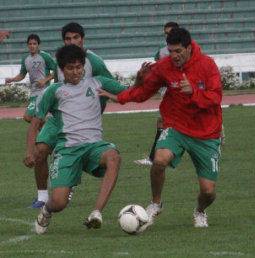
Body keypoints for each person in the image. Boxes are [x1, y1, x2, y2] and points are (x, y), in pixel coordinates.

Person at [98, 28, 223, 228]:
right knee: (159, 160)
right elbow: (143, 92)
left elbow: (216, 97)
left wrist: (193, 93)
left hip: (206, 133)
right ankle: (156, 203)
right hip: (177, 127)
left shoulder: (207, 65)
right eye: (170, 51)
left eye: (178, 51)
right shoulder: (164, 67)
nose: (174, 56)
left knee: (208, 192)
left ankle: (200, 210)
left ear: (189, 48)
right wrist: (123, 94)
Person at [24, 44, 128, 234]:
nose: (76, 72)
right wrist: (29, 152)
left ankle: (96, 213)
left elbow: (128, 92)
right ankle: (47, 209)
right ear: (62, 70)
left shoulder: (98, 83)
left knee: (113, 156)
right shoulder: (54, 91)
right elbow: (34, 122)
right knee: (59, 202)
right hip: (67, 150)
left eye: (79, 67)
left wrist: (144, 80)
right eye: (71, 68)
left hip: (94, 146)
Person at [28, 22, 114, 208]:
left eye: (76, 38)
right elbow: (58, 90)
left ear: (83, 39)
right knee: (40, 150)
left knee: (79, 149)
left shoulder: (94, 61)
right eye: (68, 38)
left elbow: (108, 85)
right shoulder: (61, 59)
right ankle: (42, 196)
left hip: (81, 120)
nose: (72, 41)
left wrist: (97, 108)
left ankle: (67, 175)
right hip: (58, 117)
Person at [135, 22, 179, 166]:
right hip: (167, 91)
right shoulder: (161, 51)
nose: (168, 36)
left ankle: (154, 157)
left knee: (164, 121)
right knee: (165, 122)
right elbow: (157, 69)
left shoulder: (187, 48)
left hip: (179, 91)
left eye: (171, 33)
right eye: (166, 33)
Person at [5, 34, 56, 123]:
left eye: (34, 44)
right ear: (27, 45)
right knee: (38, 120)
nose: (32, 46)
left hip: (43, 92)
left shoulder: (44, 56)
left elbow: (57, 70)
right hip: (33, 93)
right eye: (30, 44)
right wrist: (12, 79)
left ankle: (49, 125)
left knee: (28, 117)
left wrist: (45, 81)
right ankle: (46, 133)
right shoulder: (26, 58)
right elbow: (22, 74)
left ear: (38, 45)